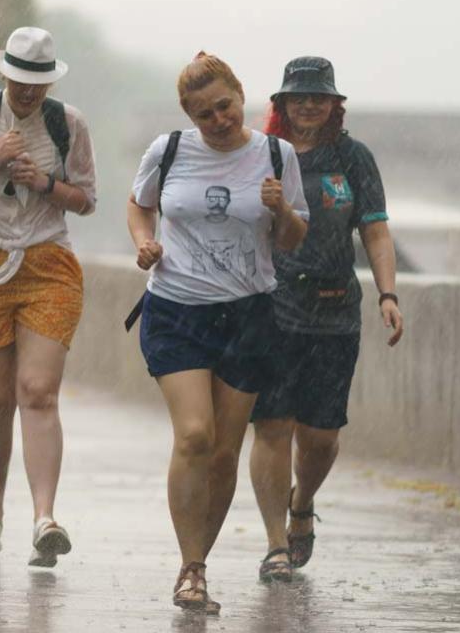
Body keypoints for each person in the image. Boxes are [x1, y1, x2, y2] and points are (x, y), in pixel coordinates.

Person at [127, 52, 308, 613]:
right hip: (177, 309)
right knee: (195, 436)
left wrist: (282, 210)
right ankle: (191, 568)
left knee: (226, 453)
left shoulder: (276, 155)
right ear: (190, 116)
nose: (219, 120)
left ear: (240, 94)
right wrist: (144, 243)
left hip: (248, 315)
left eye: (225, 106)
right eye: (205, 114)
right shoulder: (169, 150)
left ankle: (196, 569)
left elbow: (294, 239)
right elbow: (139, 207)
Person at [0, 26, 96, 567]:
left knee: (38, 390)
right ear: (4, 73)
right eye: (20, 81)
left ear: (50, 82)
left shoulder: (67, 124)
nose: (28, 92)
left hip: (47, 262)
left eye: (38, 83)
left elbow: (87, 200)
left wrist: (45, 182)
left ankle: (44, 518)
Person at [248, 56, 404, 580]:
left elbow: (376, 231)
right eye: (298, 97)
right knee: (271, 426)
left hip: (335, 310)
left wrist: (388, 294)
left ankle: (301, 503)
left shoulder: (352, 158)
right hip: (273, 307)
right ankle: (274, 544)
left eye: (318, 96)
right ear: (282, 105)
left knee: (319, 437)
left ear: (335, 105)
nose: (308, 105)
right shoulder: (265, 156)